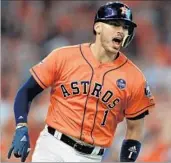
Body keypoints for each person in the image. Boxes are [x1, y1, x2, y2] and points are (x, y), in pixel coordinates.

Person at [8, 1, 155, 162]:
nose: (121, 31)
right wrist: (21, 126)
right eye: (115, 24)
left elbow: (135, 130)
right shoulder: (63, 57)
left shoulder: (134, 77)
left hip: (91, 156)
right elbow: (26, 92)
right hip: (53, 146)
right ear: (98, 27)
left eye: (125, 27)